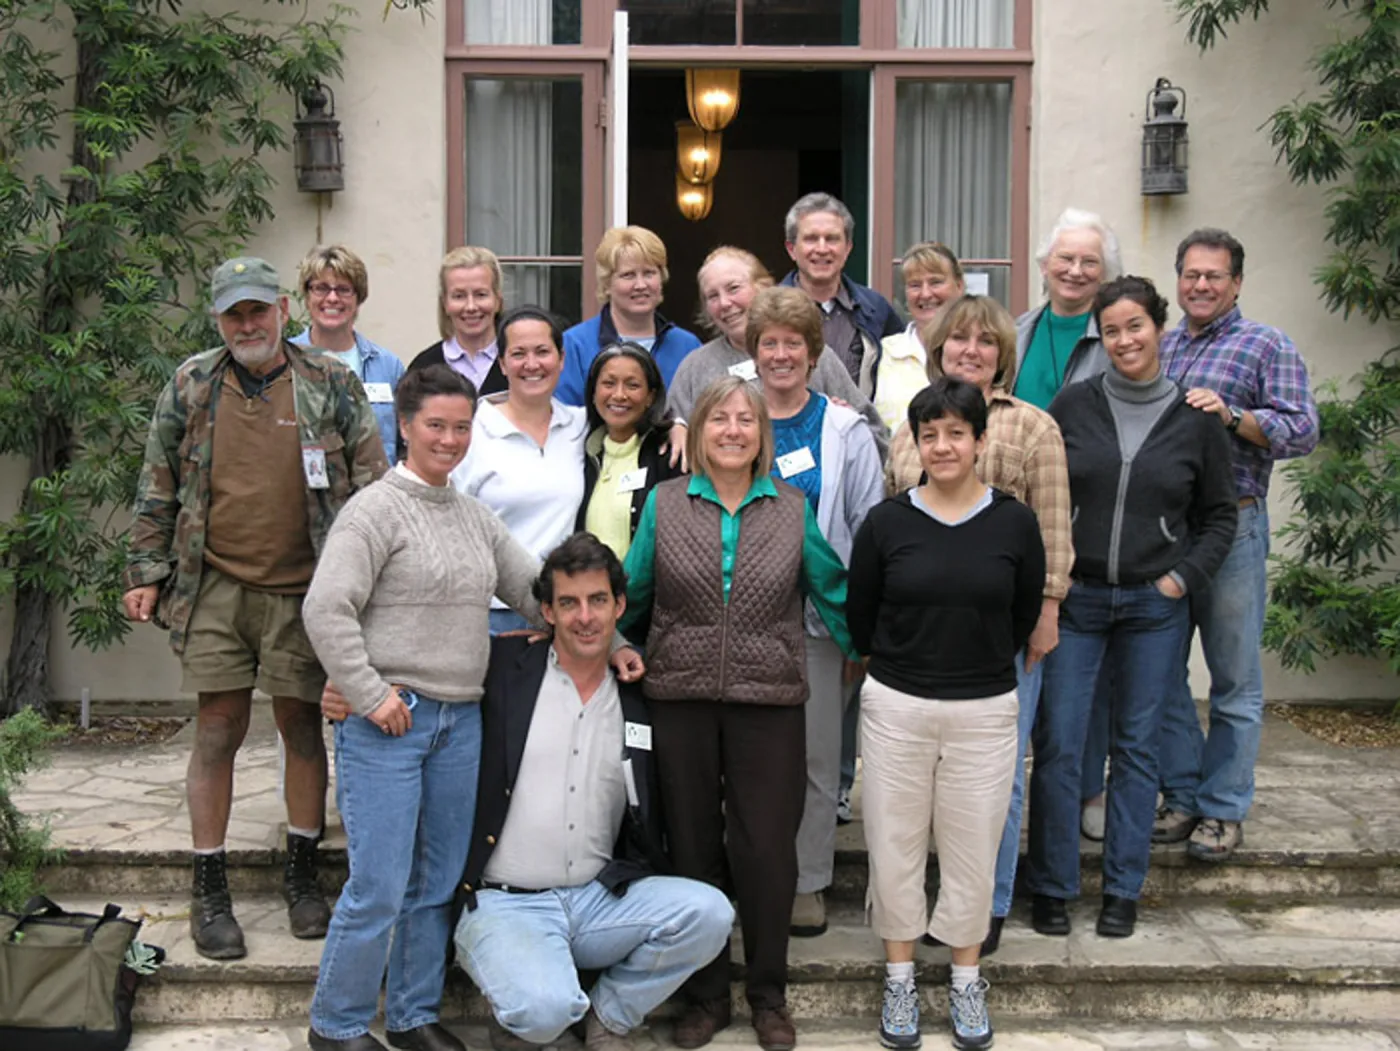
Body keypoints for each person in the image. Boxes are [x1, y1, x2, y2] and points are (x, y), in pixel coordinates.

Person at [121, 256, 387, 961]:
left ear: (282, 310)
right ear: (218, 319)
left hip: (307, 589)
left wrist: (370, 587)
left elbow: (373, 485)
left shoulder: (330, 382)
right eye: (233, 314)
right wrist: (145, 570)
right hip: (214, 584)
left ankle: (302, 873)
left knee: (302, 725)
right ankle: (209, 887)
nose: (247, 325)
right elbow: (157, 482)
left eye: (257, 310)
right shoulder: (192, 384)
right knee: (217, 728)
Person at [301, 365, 543, 1051]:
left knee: (436, 881)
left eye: (461, 427)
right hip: (389, 723)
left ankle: (412, 1015)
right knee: (379, 884)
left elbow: (533, 588)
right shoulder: (373, 511)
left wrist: (600, 634)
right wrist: (369, 692)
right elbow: (326, 608)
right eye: (436, 425)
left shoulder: (473, 517)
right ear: (405, 426)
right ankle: (336, 1024)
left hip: (460, 723)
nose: (449, 439)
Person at [620, 377, 855, 1051]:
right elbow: (633, 589)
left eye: (745, 420)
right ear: (699, 431)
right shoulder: (666, 502)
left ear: (761, 436)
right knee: (692, 848)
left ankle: (768, 995)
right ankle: (706, 995)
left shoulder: (791, 507)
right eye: (718, 418)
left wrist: (869, 650)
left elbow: (831, 587)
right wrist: (611, 644)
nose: (731, 429)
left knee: (766, 850)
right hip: (679, 695)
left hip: (769, 698)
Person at [454, 534, 735, 1051]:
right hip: (506, 902)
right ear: (547, 611)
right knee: (544, 1010)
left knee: (710, 913)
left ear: (619, 606)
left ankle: (608, 1015)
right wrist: (351, 690)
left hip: (597, 900)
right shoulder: (505, 668)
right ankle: (529, 1009)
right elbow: (429, 668)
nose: (585, 617)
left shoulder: (638, 693)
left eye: (598, 600)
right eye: (569, 603)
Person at [1025, 276, 1238, 942]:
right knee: (1060, 744)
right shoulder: (1074, 404)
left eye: (1135, 326)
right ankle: (1053, 885)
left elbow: (1220, 516)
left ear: (1159, 329)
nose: (1124, 340)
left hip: (1154, 604)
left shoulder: (1196, 418)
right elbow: (1042, 490)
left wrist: (1181, 579)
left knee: (1137, 748)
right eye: (1112, 330)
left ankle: (1123, 888)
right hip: (1079, 598)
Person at [848, 378, 1045, 1051]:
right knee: (894, 845)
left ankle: (965, 980)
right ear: (916, 443)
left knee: (973, 849)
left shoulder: (1015, 522)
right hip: (897, 705)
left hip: (984, 708)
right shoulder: (887, 523)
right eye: (929, 434)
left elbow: (1023, 611)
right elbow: (862, 614)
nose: (942, 446)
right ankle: (900, 978)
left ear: (980, 441)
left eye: (956, 433)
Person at [886, 295, 1072, 956]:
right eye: (958, 340)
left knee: (999, 775)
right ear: (939, 350)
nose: (971, 350)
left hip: (1002, 634)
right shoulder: (911, 426)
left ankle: (985, 904)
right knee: (921, 779)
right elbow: (890, 523)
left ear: (1002, 353)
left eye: (985, 341)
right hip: (920, 635)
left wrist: (1047, 612)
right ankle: (921, 901)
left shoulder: (1033, 427)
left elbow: (1052, 528)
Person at [1154, 228, 1319, 861]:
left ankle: (1222, 809)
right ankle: (1182, 795)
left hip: (1235, 530)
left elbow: (1303, 430)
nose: (1201, 285)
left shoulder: (1266, 344)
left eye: (1214, 276)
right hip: (1167, 533)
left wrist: (1233, 416)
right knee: (1160, 672)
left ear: (1237, 283)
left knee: (1233, 680)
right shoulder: (1162, 346)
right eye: (1191, 275)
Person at [748, 286, 884, 940]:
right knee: (746, 757)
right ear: (754, 351)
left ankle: (806, 881)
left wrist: (861, 626)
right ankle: (749, 872)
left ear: (813, 353)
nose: (781, 355)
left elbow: (868, 528)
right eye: (768, 343)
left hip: (816, 621)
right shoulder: (731, 415)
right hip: (739, 620)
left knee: (815, 756)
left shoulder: (844, 430)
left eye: (793, 344)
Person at [1014, 207, 1124, 842]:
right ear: (1044, 266)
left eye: (1089, 262)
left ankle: (1088, 787)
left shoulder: (1113, 338)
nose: (1075, 271)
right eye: (1065, 259)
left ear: (1104, 274)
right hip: (1019, 523)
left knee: (1082, 677)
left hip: (1087, 521)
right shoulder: (1018, 331)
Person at [667, 246, 888, 458]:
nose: (724, 303)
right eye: (712, 296)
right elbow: (668, 435)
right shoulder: (695, 367)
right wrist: (676, 427)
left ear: (761, 286)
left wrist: (850, 426)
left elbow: (875, 436)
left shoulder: (814, 355)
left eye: (733, 288)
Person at [452, 306, 587, 635]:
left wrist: (678, 427)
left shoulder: (580, 425)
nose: (532, 364)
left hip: (561, 612)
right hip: (490, 616)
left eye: (542, 351)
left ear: (561, 359)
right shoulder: (471, 431)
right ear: (501, 363)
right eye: (518, 354)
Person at [557, 226, 702, 404]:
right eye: (628, 275)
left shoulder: (687, 346)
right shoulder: (575, 346)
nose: (640, 285)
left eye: (649, 273)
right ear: (607, 284)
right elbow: (565, 414)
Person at [778, 192, 903, 395]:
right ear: (791, 249)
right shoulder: (766, 310)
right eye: (811, 239)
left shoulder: (876, 308)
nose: (821, 249)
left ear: (847, 248)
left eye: (832, 239)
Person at [292, 244, 406, 464]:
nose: (332, 298)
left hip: (375, 484)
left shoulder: (388, 367)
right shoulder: (285, 359)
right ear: (307, 296)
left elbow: (406, 444)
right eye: (321, 288)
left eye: (343, 289)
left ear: (359, 298)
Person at [577, 342, 684, 560]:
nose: (619, 395)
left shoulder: (669, 454)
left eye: (632, 385)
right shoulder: (580, 451)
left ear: (650, 397)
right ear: (593, 392)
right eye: (608, 383)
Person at [873, 242, 966, 434]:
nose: (925, 294)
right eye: (915, 285)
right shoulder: (882, 354)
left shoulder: (976, 352)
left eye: (936, 282)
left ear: (959, 286)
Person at [409, 246, 507, 398]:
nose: (471, 307)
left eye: (481, 294)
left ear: (497, 300)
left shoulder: (520, 363)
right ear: (445, 303)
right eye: (459, 296)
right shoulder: (423, 369)